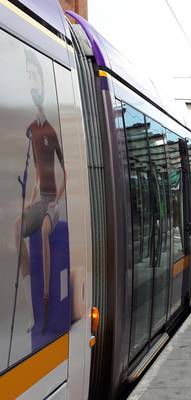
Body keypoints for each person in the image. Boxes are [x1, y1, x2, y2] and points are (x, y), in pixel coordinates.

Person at [14, 49, 66, 333]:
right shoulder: (31, 130)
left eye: (35, 76)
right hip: (40, 200)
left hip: (52, 201)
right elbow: (35, 173)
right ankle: (30, 292)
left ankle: (45, 298)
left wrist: (55, 200)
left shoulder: (52, 131)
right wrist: (31, 203)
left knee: (45, 233)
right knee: (16, 228)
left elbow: (65, 170)